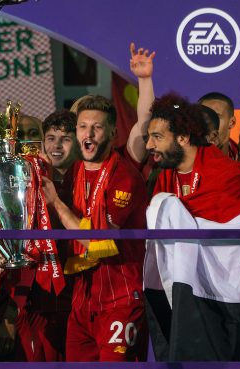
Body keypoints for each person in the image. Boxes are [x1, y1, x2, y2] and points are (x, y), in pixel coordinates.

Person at [144, 93, 240, 361]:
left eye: (157, 137)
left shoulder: (229, 174)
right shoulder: (164, 175)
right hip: (183, 299)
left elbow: (228, 230)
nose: (150, 145)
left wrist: (176, 215)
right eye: (149, 137)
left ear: (183, 138)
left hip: (229, 302)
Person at [41, 94, 148, 362]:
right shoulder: (74, 172)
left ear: (112, 132)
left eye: (97, 127)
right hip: (82, 298)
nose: (88, 134)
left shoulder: (124, 176)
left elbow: (99, 243)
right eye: (82, 126)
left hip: (120, 298)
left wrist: (56, 203)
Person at [14, 109, 78, 362]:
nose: (28, 141)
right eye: (21, 135)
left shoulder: (77, 176)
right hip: (29, 297)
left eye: (34, 135)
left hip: (71, 290)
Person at [198, 92, 238, 159]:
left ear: (232, 122)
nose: (207, 124)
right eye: (202, 117)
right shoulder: (179, 162)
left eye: (216, 117)